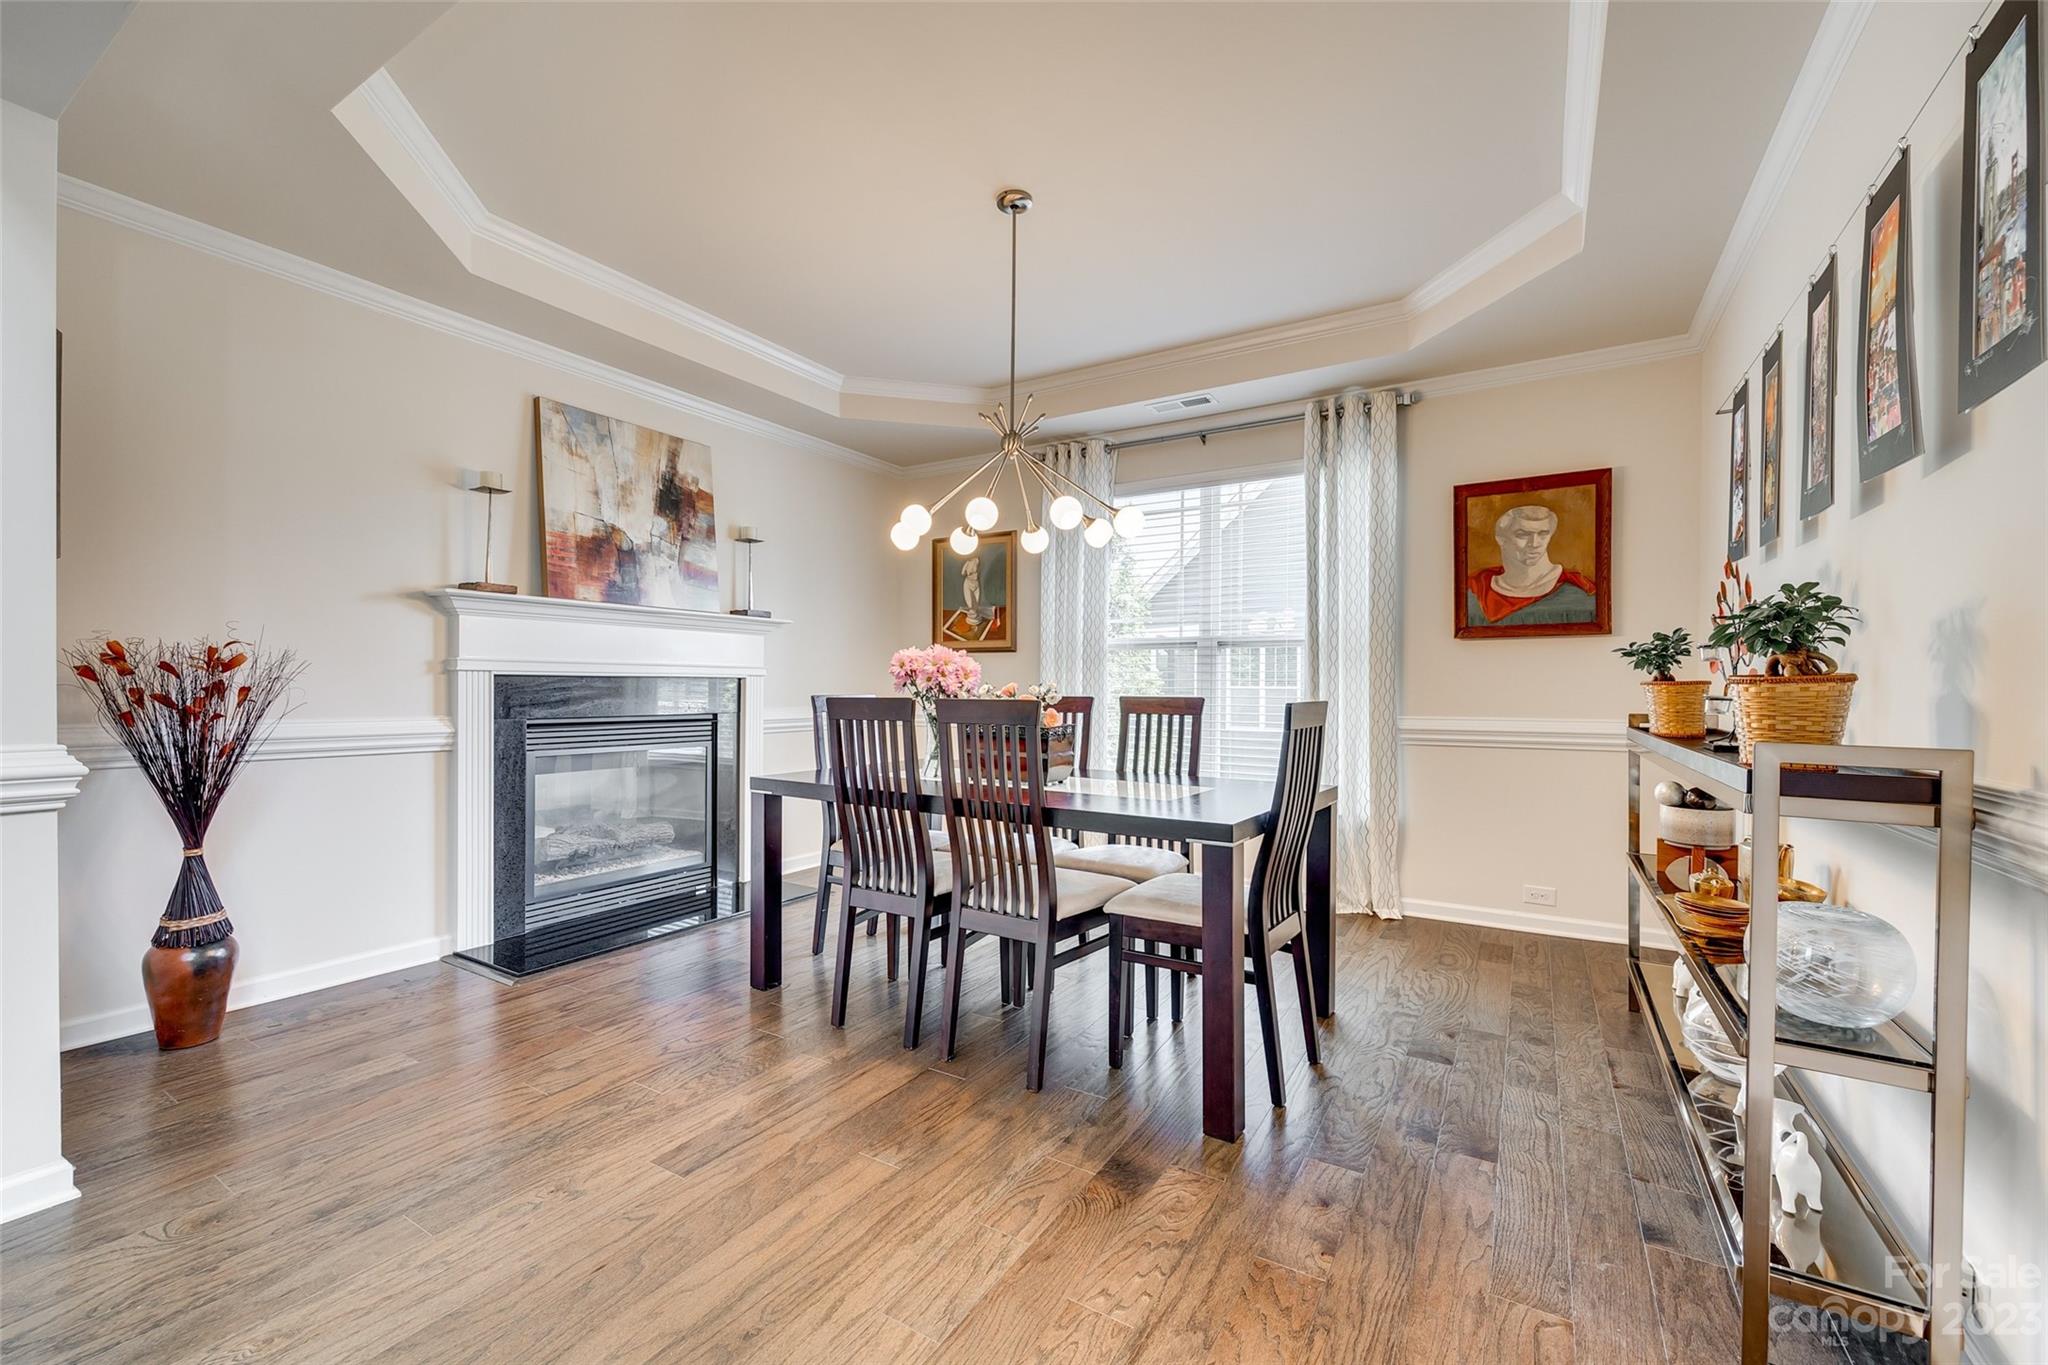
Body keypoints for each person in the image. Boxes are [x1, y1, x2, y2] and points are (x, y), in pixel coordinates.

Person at [1465, 503, 1597, 626]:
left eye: (1543, 534)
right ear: (1501, 539)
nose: (1534, 544)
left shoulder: (1581, 593)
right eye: (1522, 534)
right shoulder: (1475, 589)